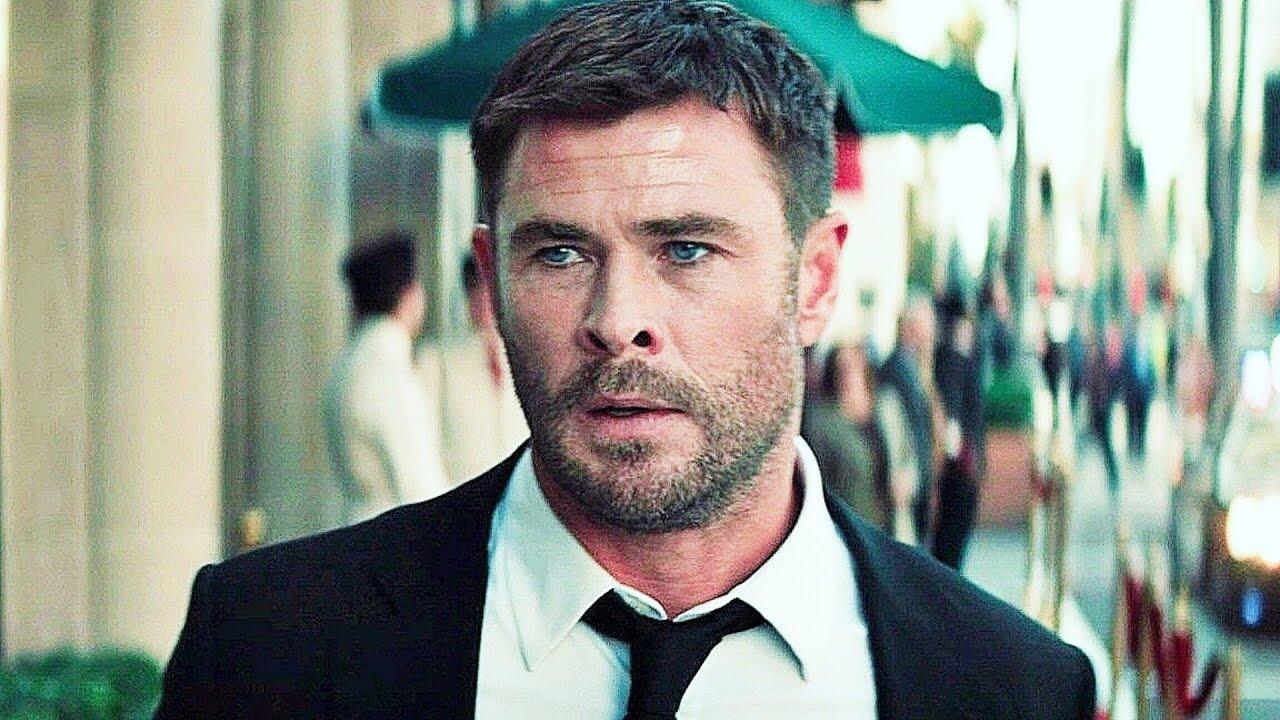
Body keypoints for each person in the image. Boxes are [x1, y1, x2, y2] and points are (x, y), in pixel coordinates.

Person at [156, 2, 1095, 717]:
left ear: (814, 281)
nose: (618, 321)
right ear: (491, 279)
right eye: (560, 254)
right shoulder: (268, 652)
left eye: (686, 249)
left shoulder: (1010, 689)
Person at [321, 232, 448, 524]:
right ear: (408, 295)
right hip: (391, 536)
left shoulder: (349, 363)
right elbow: (421, 491)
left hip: (356, 527)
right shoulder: (389, 374)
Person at [417, 253, 528, 485]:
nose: (485, 299)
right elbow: (422, 446)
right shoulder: (436, 359)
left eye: (493, 289)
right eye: (477, 288)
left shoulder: (528, 355)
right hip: (460, 494)